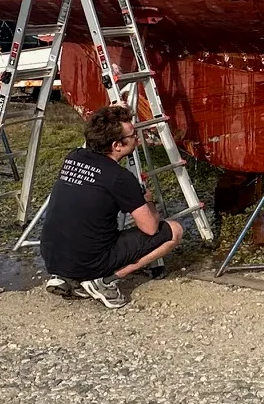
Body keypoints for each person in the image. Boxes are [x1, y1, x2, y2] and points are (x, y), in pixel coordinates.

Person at [40, 103, 183, 308]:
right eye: (133, 135)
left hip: (51, 255)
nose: (136, 138)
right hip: (90, 261)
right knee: (173, 231)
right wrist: (148, 201)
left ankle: (67, 276)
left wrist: (112, 110)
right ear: (117, 145)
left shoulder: (73, 157)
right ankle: (105, 281)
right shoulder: (120, 178)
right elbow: (150, 228)